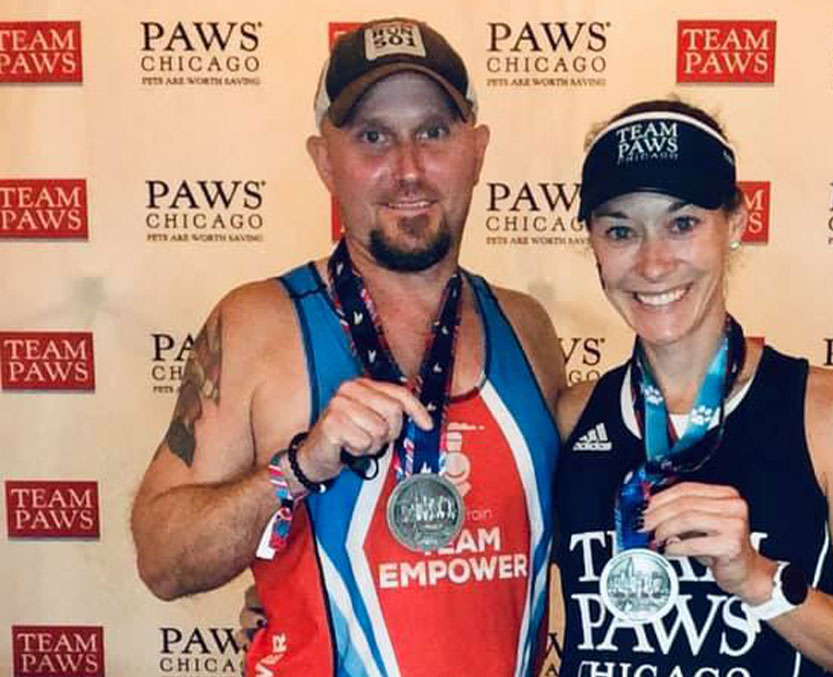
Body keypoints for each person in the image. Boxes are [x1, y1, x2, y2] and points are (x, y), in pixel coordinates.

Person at [130, 18, 564, 677]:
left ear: (477, 150)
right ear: (323, 159)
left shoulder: (526, 329)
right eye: (372, 137)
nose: (409, 168)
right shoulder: (258, 324)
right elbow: (163, 559)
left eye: (434, 132)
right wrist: (296, 469)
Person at [552, 99, 833, 676]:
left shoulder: (829, 414)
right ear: (593, 245)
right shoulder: (575, 416)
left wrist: (758, 578)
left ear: (737, 222)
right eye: (621, 230)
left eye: (682, 224)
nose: (653, 265)